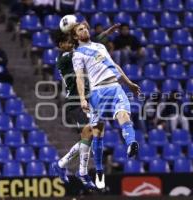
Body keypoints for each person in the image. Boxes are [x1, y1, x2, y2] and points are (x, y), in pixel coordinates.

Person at [71, 22, 140, 190]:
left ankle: (131, 143)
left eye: (86, 27)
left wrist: (129, 83)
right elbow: (79, 78)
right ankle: (100, 170)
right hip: (97, 92)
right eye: (80, 29)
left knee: (124, 115)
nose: (85, 30)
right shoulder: (77, 55)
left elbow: (114, 65)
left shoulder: (100, 46)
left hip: (115, 87)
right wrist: (82, 99)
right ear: (75, 36)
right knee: (98, 132)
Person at [52, 23, 120, 191]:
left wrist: (105, 33)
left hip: (87, 100)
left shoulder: (76, 53)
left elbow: (91, 44)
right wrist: (78, 33)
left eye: (69, 42)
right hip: (75, 101)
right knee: (89, 131)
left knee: (89, 135)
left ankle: (63, 165)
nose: (69, 44)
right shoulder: (63, 58)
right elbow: (86, 47)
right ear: (60, 46)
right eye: (66, 43)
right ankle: (79, 172)